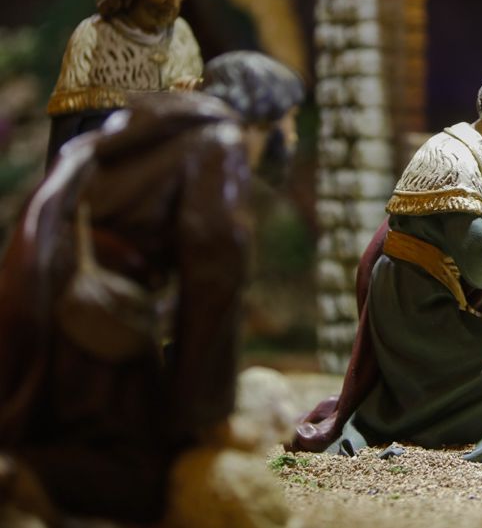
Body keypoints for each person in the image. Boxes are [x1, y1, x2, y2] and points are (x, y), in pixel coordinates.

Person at [0, 51, 302, 526]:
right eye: (289, 120)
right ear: (263, 115)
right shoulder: (218, 140)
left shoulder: (138, 127)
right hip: (97, 316)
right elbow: (216, 272)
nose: (292, 136)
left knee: (71, 435)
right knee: (142, 474)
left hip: (51, 294)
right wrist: (208, 414)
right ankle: (20, 480)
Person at [293, 67, 482, 464]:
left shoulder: (463, 149)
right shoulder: (459, 166)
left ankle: (426, 425)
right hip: (413, 307)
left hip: (415, 292)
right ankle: (439, 435)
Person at [45, 0, 203, 166]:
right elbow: (69, 124)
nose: (174, 2)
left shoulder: (181, 33)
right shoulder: (94, 35)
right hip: (110, 162)